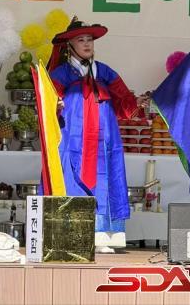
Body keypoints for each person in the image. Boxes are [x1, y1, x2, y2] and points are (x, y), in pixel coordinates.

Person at [47, 17, 149, 250]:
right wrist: (56, 106)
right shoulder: (61, 74)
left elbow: (124, 103)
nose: (87, 44)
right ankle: (75, 235)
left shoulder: (105, 72)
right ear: (70, 45)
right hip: (74, 140)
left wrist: (137, 103)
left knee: (107, 180)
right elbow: (48, 104)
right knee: (72, 180)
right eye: (81, 40)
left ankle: (106, 233)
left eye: (89, 40)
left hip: (105, 139)